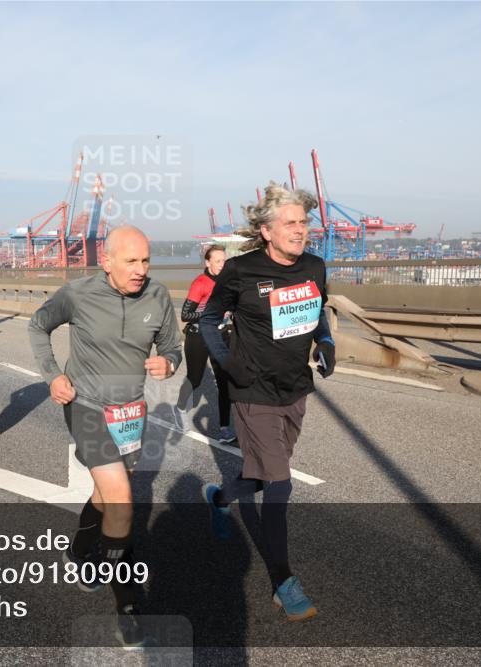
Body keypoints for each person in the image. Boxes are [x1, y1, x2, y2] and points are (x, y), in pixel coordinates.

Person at [28, 225, 181, 649]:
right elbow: (38, 327)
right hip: (87, 407)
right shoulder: (77, 294)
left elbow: (173, 347)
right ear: (107, 262)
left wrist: (168, 363)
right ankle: (127, 604)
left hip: (130, 413)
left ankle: (79, 550)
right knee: (121, 499)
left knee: (103, 494)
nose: (140, 270)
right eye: (131, 261)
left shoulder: (158, 296)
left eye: (146, 260)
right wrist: (52, 375)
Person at [199, 184, 336, 622]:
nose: (300, 231)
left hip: (295, 388)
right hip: (252, 391)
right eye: (290, 223)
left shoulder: (314, 266)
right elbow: (206, 318)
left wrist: (327, 340)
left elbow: (318, 312)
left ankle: (220, 496)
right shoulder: (239, 271)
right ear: (266, 231)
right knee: (280, 485)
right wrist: (228, 365)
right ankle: (284, 583)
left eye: (304, 222)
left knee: (261, 474)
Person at [175, 245, 235, 443]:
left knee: (224, 381)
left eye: (224, 260)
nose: (222, 264)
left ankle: (225, 428)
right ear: (208, 263)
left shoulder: (228, 283)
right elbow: (186, 315)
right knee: (195, 379)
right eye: (217, 261)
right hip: (198, 336)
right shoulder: (200, 283)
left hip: (220, 335)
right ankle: (180, 408)